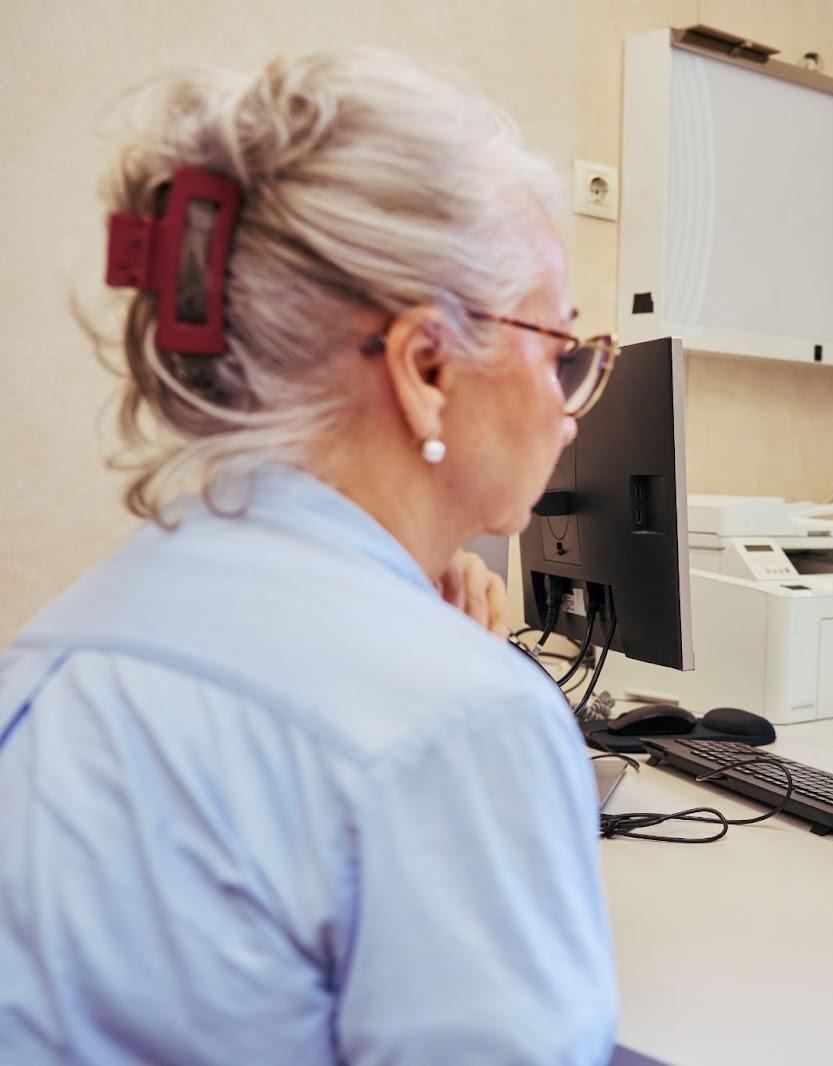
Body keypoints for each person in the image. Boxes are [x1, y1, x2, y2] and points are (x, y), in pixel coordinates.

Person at [0, 51, 618, 1062]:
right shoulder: (456, 724)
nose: (567, 407)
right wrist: (450, 685)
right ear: (427, 367)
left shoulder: (61, 640)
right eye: (557, 348)